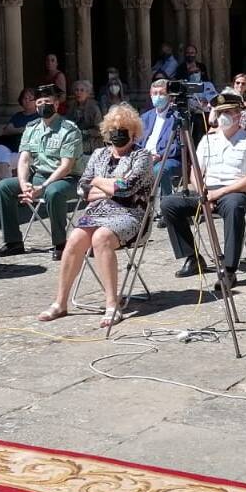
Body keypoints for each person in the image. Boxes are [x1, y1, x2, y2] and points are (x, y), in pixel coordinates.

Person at [38, 103, 154, 330]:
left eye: (123, 129)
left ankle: (112, 304)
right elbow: (82, 188)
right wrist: (107, 187)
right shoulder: (99, 154)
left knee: (101, 237)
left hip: (131, 214)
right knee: (74, 239)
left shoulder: (142, 156)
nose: (117, 134)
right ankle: (60, 302)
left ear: (133, 132)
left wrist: (99, 182)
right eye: (113, 130)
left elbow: (126, 188)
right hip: (98, 212)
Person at [160, 91, 246, 289]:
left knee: (234, 207)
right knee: (169, 204)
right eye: (220, 112)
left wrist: (219, 194)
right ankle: (192, 257)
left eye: (229, 111)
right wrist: (203, 192)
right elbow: (195, 172)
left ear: (238, 114)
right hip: (206, 190)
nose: (223, 116)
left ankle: (229, 270)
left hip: (235, 191)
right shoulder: (208, 141)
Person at [0, 85, 83, 260]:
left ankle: (60, 243)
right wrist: (23, 183)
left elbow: (66, 166)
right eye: (39, 102)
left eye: (47, 102)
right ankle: (13, 242)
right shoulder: (31, 127)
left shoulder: (69, 130)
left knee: (53, 192)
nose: (43, 106)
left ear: (56, 105)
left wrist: (42, 187)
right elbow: (24, 159)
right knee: (3, 187)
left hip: (68, 179)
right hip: (39, 175)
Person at [138, 78, 183, 196]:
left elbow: (179, 146)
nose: (158, 96)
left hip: (168, 159)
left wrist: (160, 155)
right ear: (150, 94)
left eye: (162, 93)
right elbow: (137, 141)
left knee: (160, 170)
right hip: (145, 157)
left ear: (169, 96)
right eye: (155, 93)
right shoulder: (146, 117)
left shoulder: (177, 116)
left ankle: (166, 205)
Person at [0, 88, 37, 180]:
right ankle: (6, 182)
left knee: (5, 161)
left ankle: (4, 183)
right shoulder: (18, 115)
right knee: (0, 151)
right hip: (12, 146)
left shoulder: (39, 116)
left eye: (30, 98)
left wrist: (15, 129)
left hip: (29, 151)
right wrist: (23, 129)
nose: (27, 100)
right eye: (24, 98)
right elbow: (6, 131)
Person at [68, 79, 102, 154]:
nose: (79, 93)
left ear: (87, 93)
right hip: (75, 142)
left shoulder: (94, 108)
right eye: (76, 90)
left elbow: (100, 129)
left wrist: (85, 132)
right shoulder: (71, 106)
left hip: (91, 144)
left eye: (82, 90)